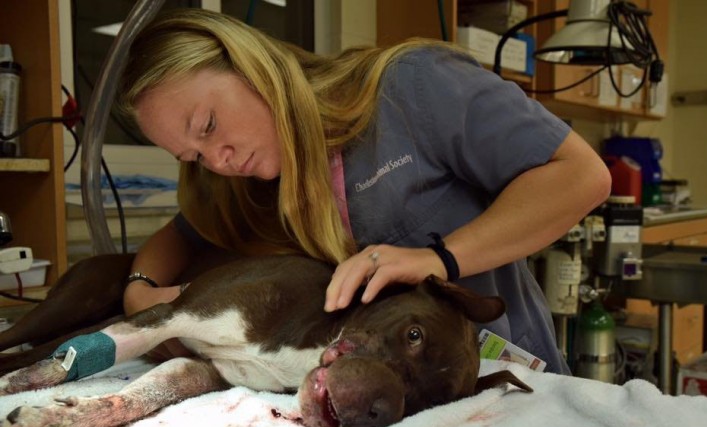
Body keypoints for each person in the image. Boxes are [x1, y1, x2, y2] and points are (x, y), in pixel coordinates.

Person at [117, 8, 611, 374]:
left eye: (208, 124)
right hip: (378, 394)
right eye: (193, 157)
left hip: (501, 378)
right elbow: (183, 232)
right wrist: (139, 289)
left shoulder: (412, 89)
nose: (218, 161)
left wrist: (439, 260)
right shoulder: (246, 184)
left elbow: (580, 176)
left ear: (252, 66)